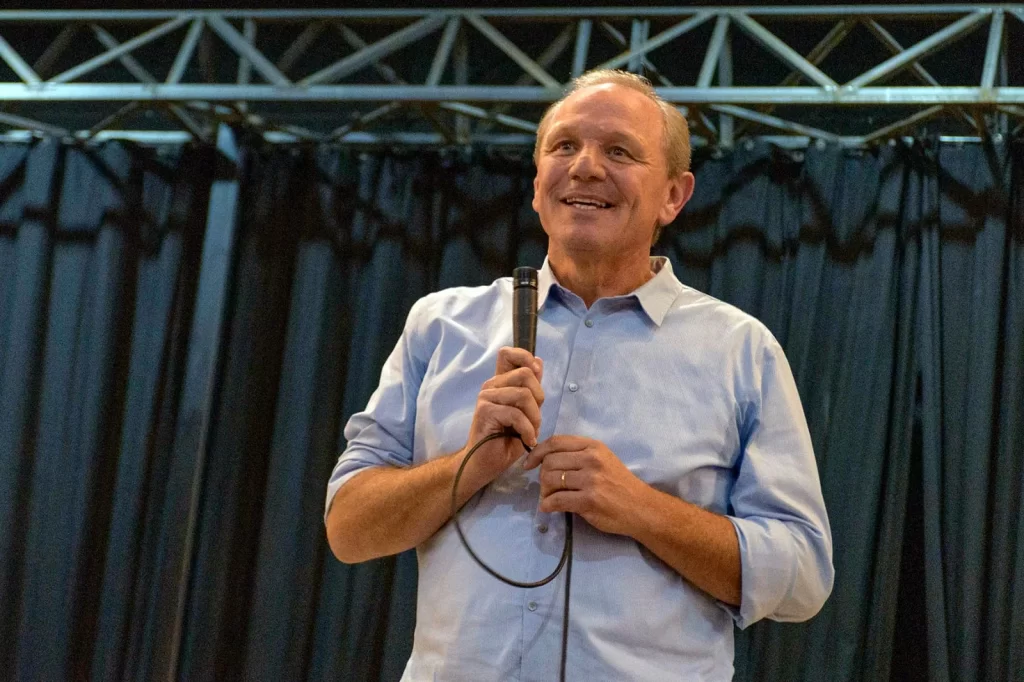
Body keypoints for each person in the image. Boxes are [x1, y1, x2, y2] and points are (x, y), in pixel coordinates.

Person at [325, 69, 833, 681]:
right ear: (537, 184)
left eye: (619, 151)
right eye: (564, 146)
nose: (586, 167)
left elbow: (803, 577)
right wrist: (470, 464)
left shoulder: (739, 350)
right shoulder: (440, 326)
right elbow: (348, 528)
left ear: (674, 196)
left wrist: (640, 508)